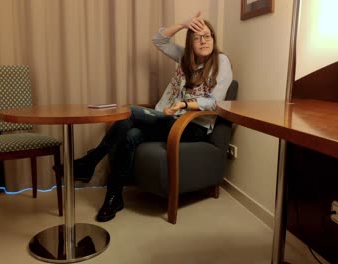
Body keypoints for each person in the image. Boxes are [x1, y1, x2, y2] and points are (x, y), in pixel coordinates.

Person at [73, 11, 233, 222]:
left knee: (129, 112)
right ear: (190, 43)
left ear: (214, 39)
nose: (203, 41)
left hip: (192, 126)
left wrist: (184, 104)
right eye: (197, 37)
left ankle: (90, 161)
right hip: (168, 119)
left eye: (207, 36)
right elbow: (159, 40)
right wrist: (184, 24)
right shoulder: (185, 60)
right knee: (130, 135)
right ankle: (113, 197)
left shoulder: (221, 62)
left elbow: (214, 101)